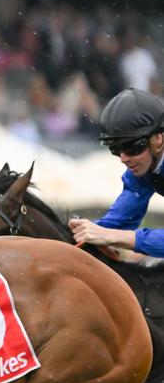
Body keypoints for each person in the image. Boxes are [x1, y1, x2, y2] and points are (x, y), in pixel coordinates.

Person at [68, 88, 164, 257]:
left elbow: (111, 234)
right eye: (116, 149)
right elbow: (119, 222)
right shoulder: (141, 169)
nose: (124, 158)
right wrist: (85, 231)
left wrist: (111, 236)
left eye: (131, 147)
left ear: (158, 139)